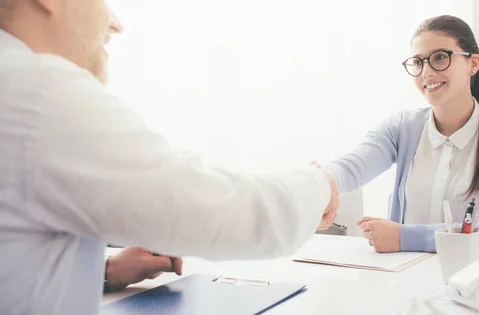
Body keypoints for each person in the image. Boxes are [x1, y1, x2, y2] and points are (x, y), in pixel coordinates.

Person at [0, 1, 340, 314]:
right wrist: (320, 184)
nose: (115, 24)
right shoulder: (41, 95)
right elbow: (231, 214)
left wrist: (105, 271)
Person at [319, 15, 479, 254]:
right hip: (407, 281)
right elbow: (352, 167)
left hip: (476, 283)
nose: (427, 72)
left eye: (439, 57)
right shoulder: (403, 127)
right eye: (418, 62)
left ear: (473, 64)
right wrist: (324, 181)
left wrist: (406, 237)